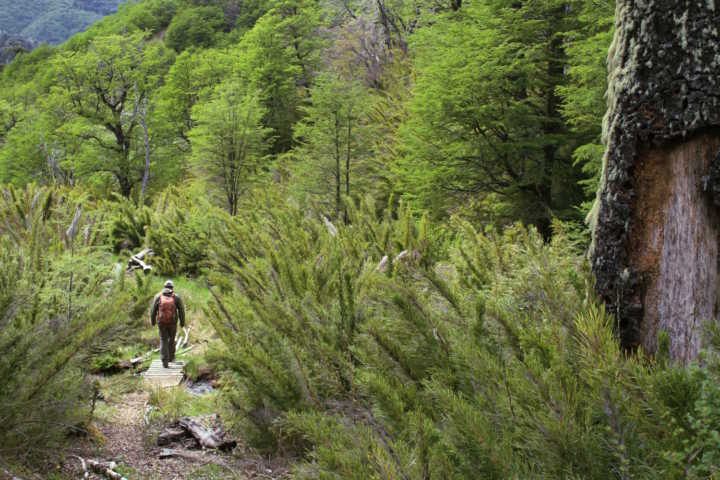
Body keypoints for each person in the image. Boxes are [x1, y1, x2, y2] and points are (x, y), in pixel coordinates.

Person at [150, 280, 186, 368]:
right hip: (173, 322)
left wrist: (153, 321)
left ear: (164, 287)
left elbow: (153, 310)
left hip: (161, 322)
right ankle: (171, 358)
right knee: (171, 339)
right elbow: (181, 310)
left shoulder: (158, 296)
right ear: (172, 288)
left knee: (163, 340)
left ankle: (164, 361)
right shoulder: (176, 297)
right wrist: (182, 322)